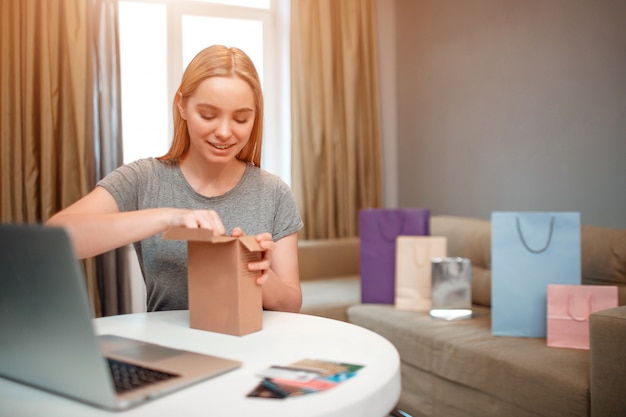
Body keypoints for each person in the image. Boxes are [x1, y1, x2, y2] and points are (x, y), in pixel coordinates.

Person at [46, 45, 304, 313]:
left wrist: (260, 272)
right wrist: (169, 218)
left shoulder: (273, 193)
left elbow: (291, 305)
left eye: (240, 119)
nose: (225, 132)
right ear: (181, 105)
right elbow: (56, 238)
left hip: (253, 351)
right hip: (167, 351)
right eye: (208, 115)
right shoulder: (144, 179)